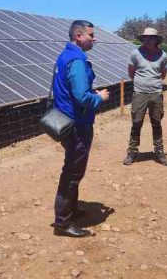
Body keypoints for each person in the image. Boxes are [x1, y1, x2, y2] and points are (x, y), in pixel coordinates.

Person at [52, 20, 110, 237]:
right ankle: (63, 223)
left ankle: (72, 209)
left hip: (66, 120)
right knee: (73, 172)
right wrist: (100, 97)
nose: (94, 39)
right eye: (91, 35)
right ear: (78, 36)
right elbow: (81, 97)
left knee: (72, 167)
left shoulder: (64, 55)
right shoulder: (77, 60)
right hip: (77, 124)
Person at [123, 27, 167, 166]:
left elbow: (163, 74)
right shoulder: (135, 54)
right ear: (143, 39)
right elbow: (131, 72)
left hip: (156, 93)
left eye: (151, 37)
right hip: (139, 93)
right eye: (146, 37)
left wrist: (153, 84)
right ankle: (132, 152)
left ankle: (159, 152)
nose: (148, 40)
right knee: (136, 122)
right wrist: (141, 84)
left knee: (156, 122)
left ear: (157, 40)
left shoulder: (163, 55)